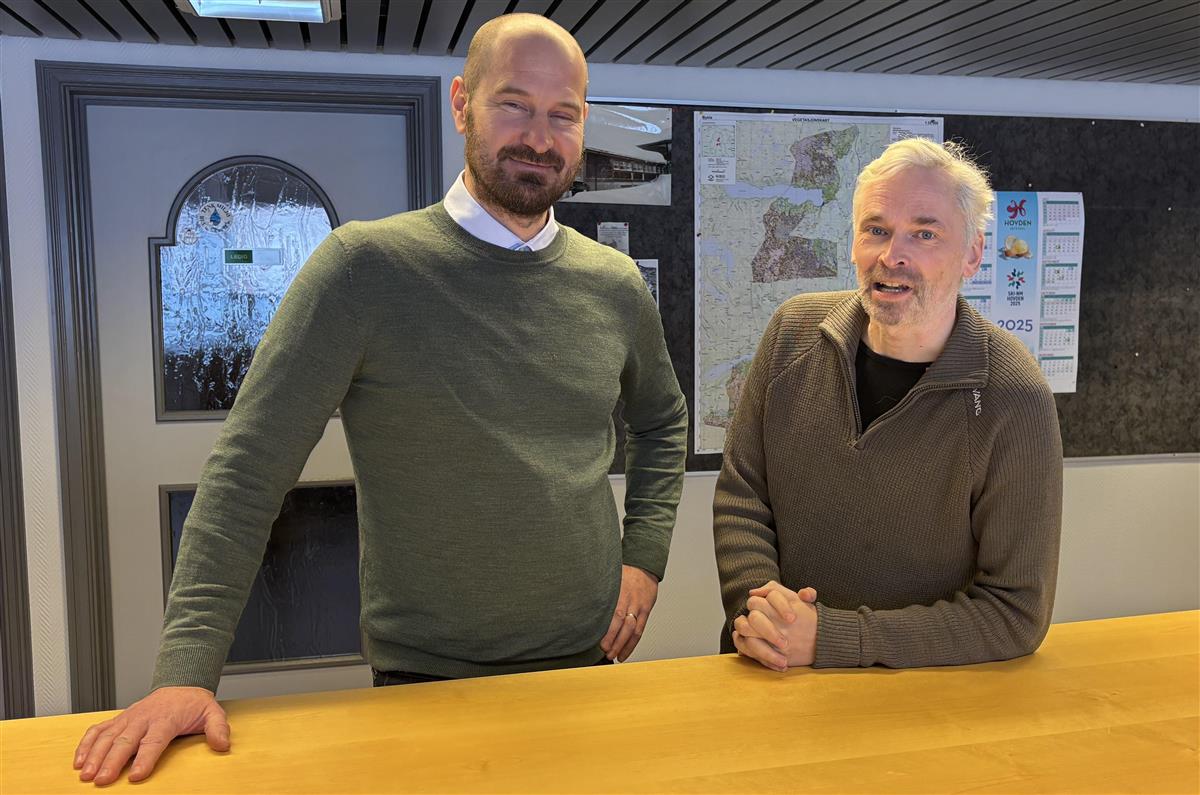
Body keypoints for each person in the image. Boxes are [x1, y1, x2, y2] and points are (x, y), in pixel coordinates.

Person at [74, 13, 687, 785]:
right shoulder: (363, 269)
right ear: (462, 103)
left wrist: (645, 558)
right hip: (424, 683)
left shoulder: (614, 285)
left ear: (583, 123)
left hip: (587, 667)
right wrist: (184, 672)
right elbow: (247, 470)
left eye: (562, 114)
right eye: (514, 105)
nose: (539, 137)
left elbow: (663, 421)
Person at [713, 137, 1062, 673]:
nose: (891, 256)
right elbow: (743, 496)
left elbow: (1015, 613)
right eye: (876, 230)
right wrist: (763, 611)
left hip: (917, 697)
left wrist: (831, 638)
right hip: (769, 671)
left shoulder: (1012, 395)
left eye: (924, 234)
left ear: (972, 254)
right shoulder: (791, 334)